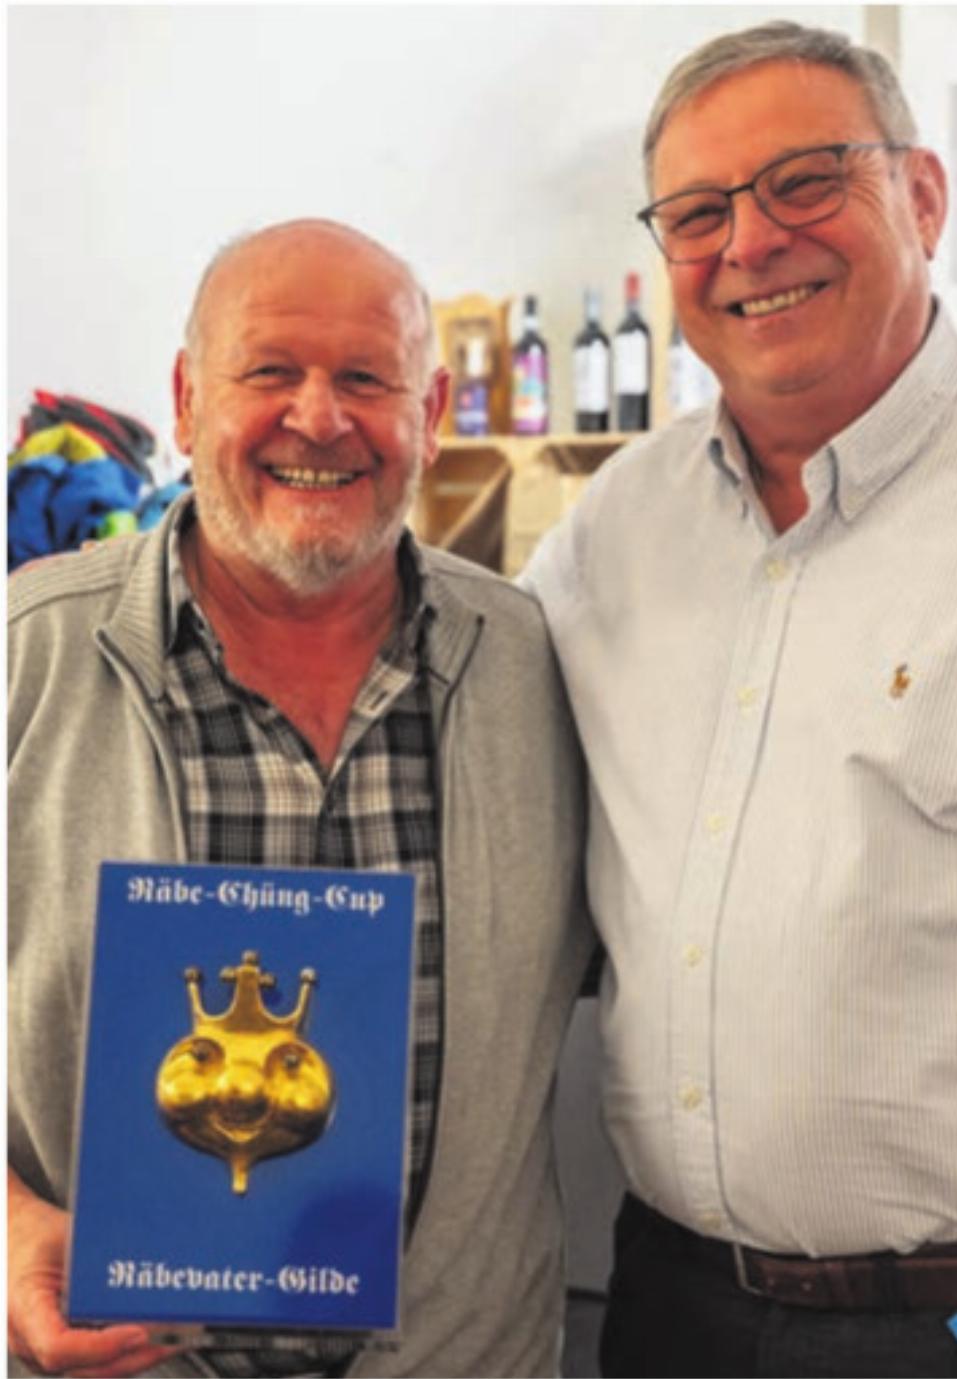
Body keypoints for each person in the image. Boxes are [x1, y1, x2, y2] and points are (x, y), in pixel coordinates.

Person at [523, 21, 957, 1379]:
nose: (752, 242)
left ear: (922, 196)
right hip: (672, 1304)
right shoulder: (616, 526)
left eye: (807, 180)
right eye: (698, 213)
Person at [9, 218, 593, 1379]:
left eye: (366, 379)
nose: (319, 418)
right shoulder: (25, 654)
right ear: (186, 400)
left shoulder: (544, 666)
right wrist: (7, 1227)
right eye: (269, 370)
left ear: (431, 412)